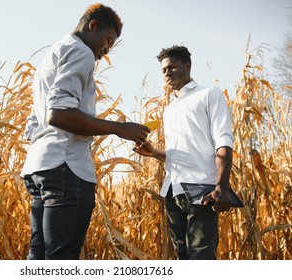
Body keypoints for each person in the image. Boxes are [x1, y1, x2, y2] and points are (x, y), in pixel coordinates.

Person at [20, 3, 150, 260]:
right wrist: (120, 128)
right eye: (108, 40)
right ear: (92, 26)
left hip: (40, 168)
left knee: (40, 255)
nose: (106, 51)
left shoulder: (52, 55)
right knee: (61, 260)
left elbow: (33, 123)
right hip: (65, 168)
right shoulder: (81, 51)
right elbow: (58, 113)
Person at [133, 45, 234, 260]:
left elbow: (223, 141)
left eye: (172, 67)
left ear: (187, 66)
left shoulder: (208, 94)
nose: (167, 73)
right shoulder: (170, 109)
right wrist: (154, 153)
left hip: (202, 189)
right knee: (182, 256)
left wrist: (221, 187)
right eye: (163, 70)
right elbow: (180, 155)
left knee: (201, 257)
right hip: (172, 190)